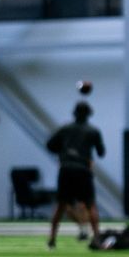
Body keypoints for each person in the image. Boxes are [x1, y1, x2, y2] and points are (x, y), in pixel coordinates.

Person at [46, 102, 104, 249]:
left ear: (74, 113)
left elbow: (50, 145)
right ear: (89, 114)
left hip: (66, 169)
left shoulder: (65, 129)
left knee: (61, 205)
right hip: (83, 170)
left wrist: (64, 153)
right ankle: (97, 238)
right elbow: (101, 152)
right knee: (90, 204)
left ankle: (52, 239)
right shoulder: (93, 131)